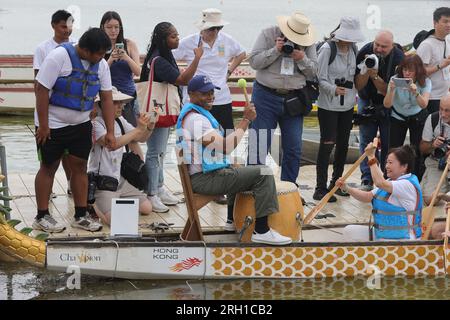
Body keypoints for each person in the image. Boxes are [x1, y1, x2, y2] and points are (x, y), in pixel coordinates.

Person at [176, 75, 292, 245]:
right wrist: (245, 121)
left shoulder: (192, 113)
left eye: (211, 92)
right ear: (191, 94)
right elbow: (225, 147)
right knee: (264, 173)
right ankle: (262, 231)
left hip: (203, 175)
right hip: (203, 180)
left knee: (235, 166)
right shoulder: (197, 120)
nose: (210, 97)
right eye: (204, 94)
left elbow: (221, 151)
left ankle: (231, 221)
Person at [32, 28, 116, 233]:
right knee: (48, 166)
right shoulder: (58, 57)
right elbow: (41, 89)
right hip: (52, 124)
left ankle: (80, 215)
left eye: (104, 53)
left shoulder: (102, 65)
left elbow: (106, 97)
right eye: (98, 53)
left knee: (79, 166)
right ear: (85, 50)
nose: (101, 58)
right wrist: (43, 126)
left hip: (81, 124)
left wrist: (111, 131)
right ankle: (42, 216)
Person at [172, 8, 246, 205]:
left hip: (222, 98)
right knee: (200, 143)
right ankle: (205, 182)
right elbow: (170, 56)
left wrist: (230, 70)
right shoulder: (189, 42)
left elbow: (242, 53)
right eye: (211, 28)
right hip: (198, 100)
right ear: (202, 28)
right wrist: (185, 73)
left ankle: (223, 180)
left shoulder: (226, 40)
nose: (214, 32)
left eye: (218, 28)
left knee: (226, 141)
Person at [247, 11, 317, 185]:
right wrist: (275, 50)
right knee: (259, 145)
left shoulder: (308, 42)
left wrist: (302, 59)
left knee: (293, 148)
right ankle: (255, 188)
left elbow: (315, 72)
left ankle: (289, 189)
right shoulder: (267, 34)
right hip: (265, 96)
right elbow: (254, 62)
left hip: (294, 100)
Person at [140, 22, 203, 213]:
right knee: (154, 152)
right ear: (163, 39)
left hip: (161, 110)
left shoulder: (162, 56)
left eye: (177, 35)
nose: (177, 38)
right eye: (173, 36)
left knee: (160, 151)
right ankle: (152, 193)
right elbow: (182, 80)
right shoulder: (158, 60)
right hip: (156, 110)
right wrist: (197, 58)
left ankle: (159, 188)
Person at [313, 17, 365, 202]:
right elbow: (319, 77)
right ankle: (320, 187)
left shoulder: (353, 49)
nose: (351, 40)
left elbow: (356, 75)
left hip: (348, 105)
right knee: (327, 144)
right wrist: (333, 89)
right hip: (328, 105)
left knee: (343, 145)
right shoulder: (328, 49)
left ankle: (337, 184)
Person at [88, 87, 155, 225]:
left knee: (147, 208)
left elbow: (141, 138)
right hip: (103, 183)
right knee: (114, 222)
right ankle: (92, 204)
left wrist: (149, 126)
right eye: (116, 102)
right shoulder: (96, 124)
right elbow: (112, 144)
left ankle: (115, 203)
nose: (121, 106)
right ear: (103, 104)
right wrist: (137, 129)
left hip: (119, 180)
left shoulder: (120, 120)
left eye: (121, 102)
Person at [336, 144, 423, 241]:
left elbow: (379, 182)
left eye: (390, 163)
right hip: (384, 235)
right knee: (349, 230)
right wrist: (346, 188)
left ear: (404, 166)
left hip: (404, 239)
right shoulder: (390, 182)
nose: (386, 166)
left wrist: (371, 157)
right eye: (386, 162)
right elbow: (367, 196)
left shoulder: (407, 185)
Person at [33, 9, 77, 196]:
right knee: (48, 159)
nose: (67, 30)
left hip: (72, 112)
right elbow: (38, 82)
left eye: (70, 26)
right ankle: (46, 193)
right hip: (49, 110)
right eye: (63, 26)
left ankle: (70, 185)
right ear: (53, 26)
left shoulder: (77, 47)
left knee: (71, 156)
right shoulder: (43, 49)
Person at [355, 30, 404, 191]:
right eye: (377, 44)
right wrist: (365, 72)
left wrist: (375, 76)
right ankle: (367, 179)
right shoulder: (365, 51)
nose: (379, 49)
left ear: (392, 46)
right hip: (366, 99)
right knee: (366, 142)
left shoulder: (398, 58)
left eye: (384, 47)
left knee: (388, 141)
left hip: (388, 102)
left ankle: (385, 178)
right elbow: (358, 85)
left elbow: (386, 91)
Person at [383, 54, 431, 179]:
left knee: (416, 150)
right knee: (394, 149)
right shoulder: (395, 79)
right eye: (405, 69)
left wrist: (416, 93)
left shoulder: (425, 81)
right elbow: (387, 104)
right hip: (398, 116)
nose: (407, 73)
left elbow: (424, 104)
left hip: (417, 116)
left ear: (417, 71)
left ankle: (415, 179)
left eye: (411, 70)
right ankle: (389, 179)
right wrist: (392, 90)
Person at [100, 11, 141, 127]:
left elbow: (138, 72)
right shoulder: (100, 46)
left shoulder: (129, 44)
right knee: (109, 129)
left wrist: (126, 57)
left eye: (116, 27)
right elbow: (98, 72)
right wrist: (111, 59)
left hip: (128, 97)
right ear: (103, 27)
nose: (113, 31)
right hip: (108, 96)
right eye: (109, 27)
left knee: (131, 133)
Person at [416, 7, 450, 114]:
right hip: (430, 97)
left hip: (444, 96)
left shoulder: (446, 40)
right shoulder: (427, 45)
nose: (449, 25)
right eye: (445, 21)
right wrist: (440, 66)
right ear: (435, 23)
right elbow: (418, 73)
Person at [419, 95, 450, 206]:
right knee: (428, 199)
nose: (443, 114)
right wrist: (433, 145)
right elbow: (422, 148)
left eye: (447, 110)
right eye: (441, 109)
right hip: (437, 163)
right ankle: (443, 194)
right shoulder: (433, 119)